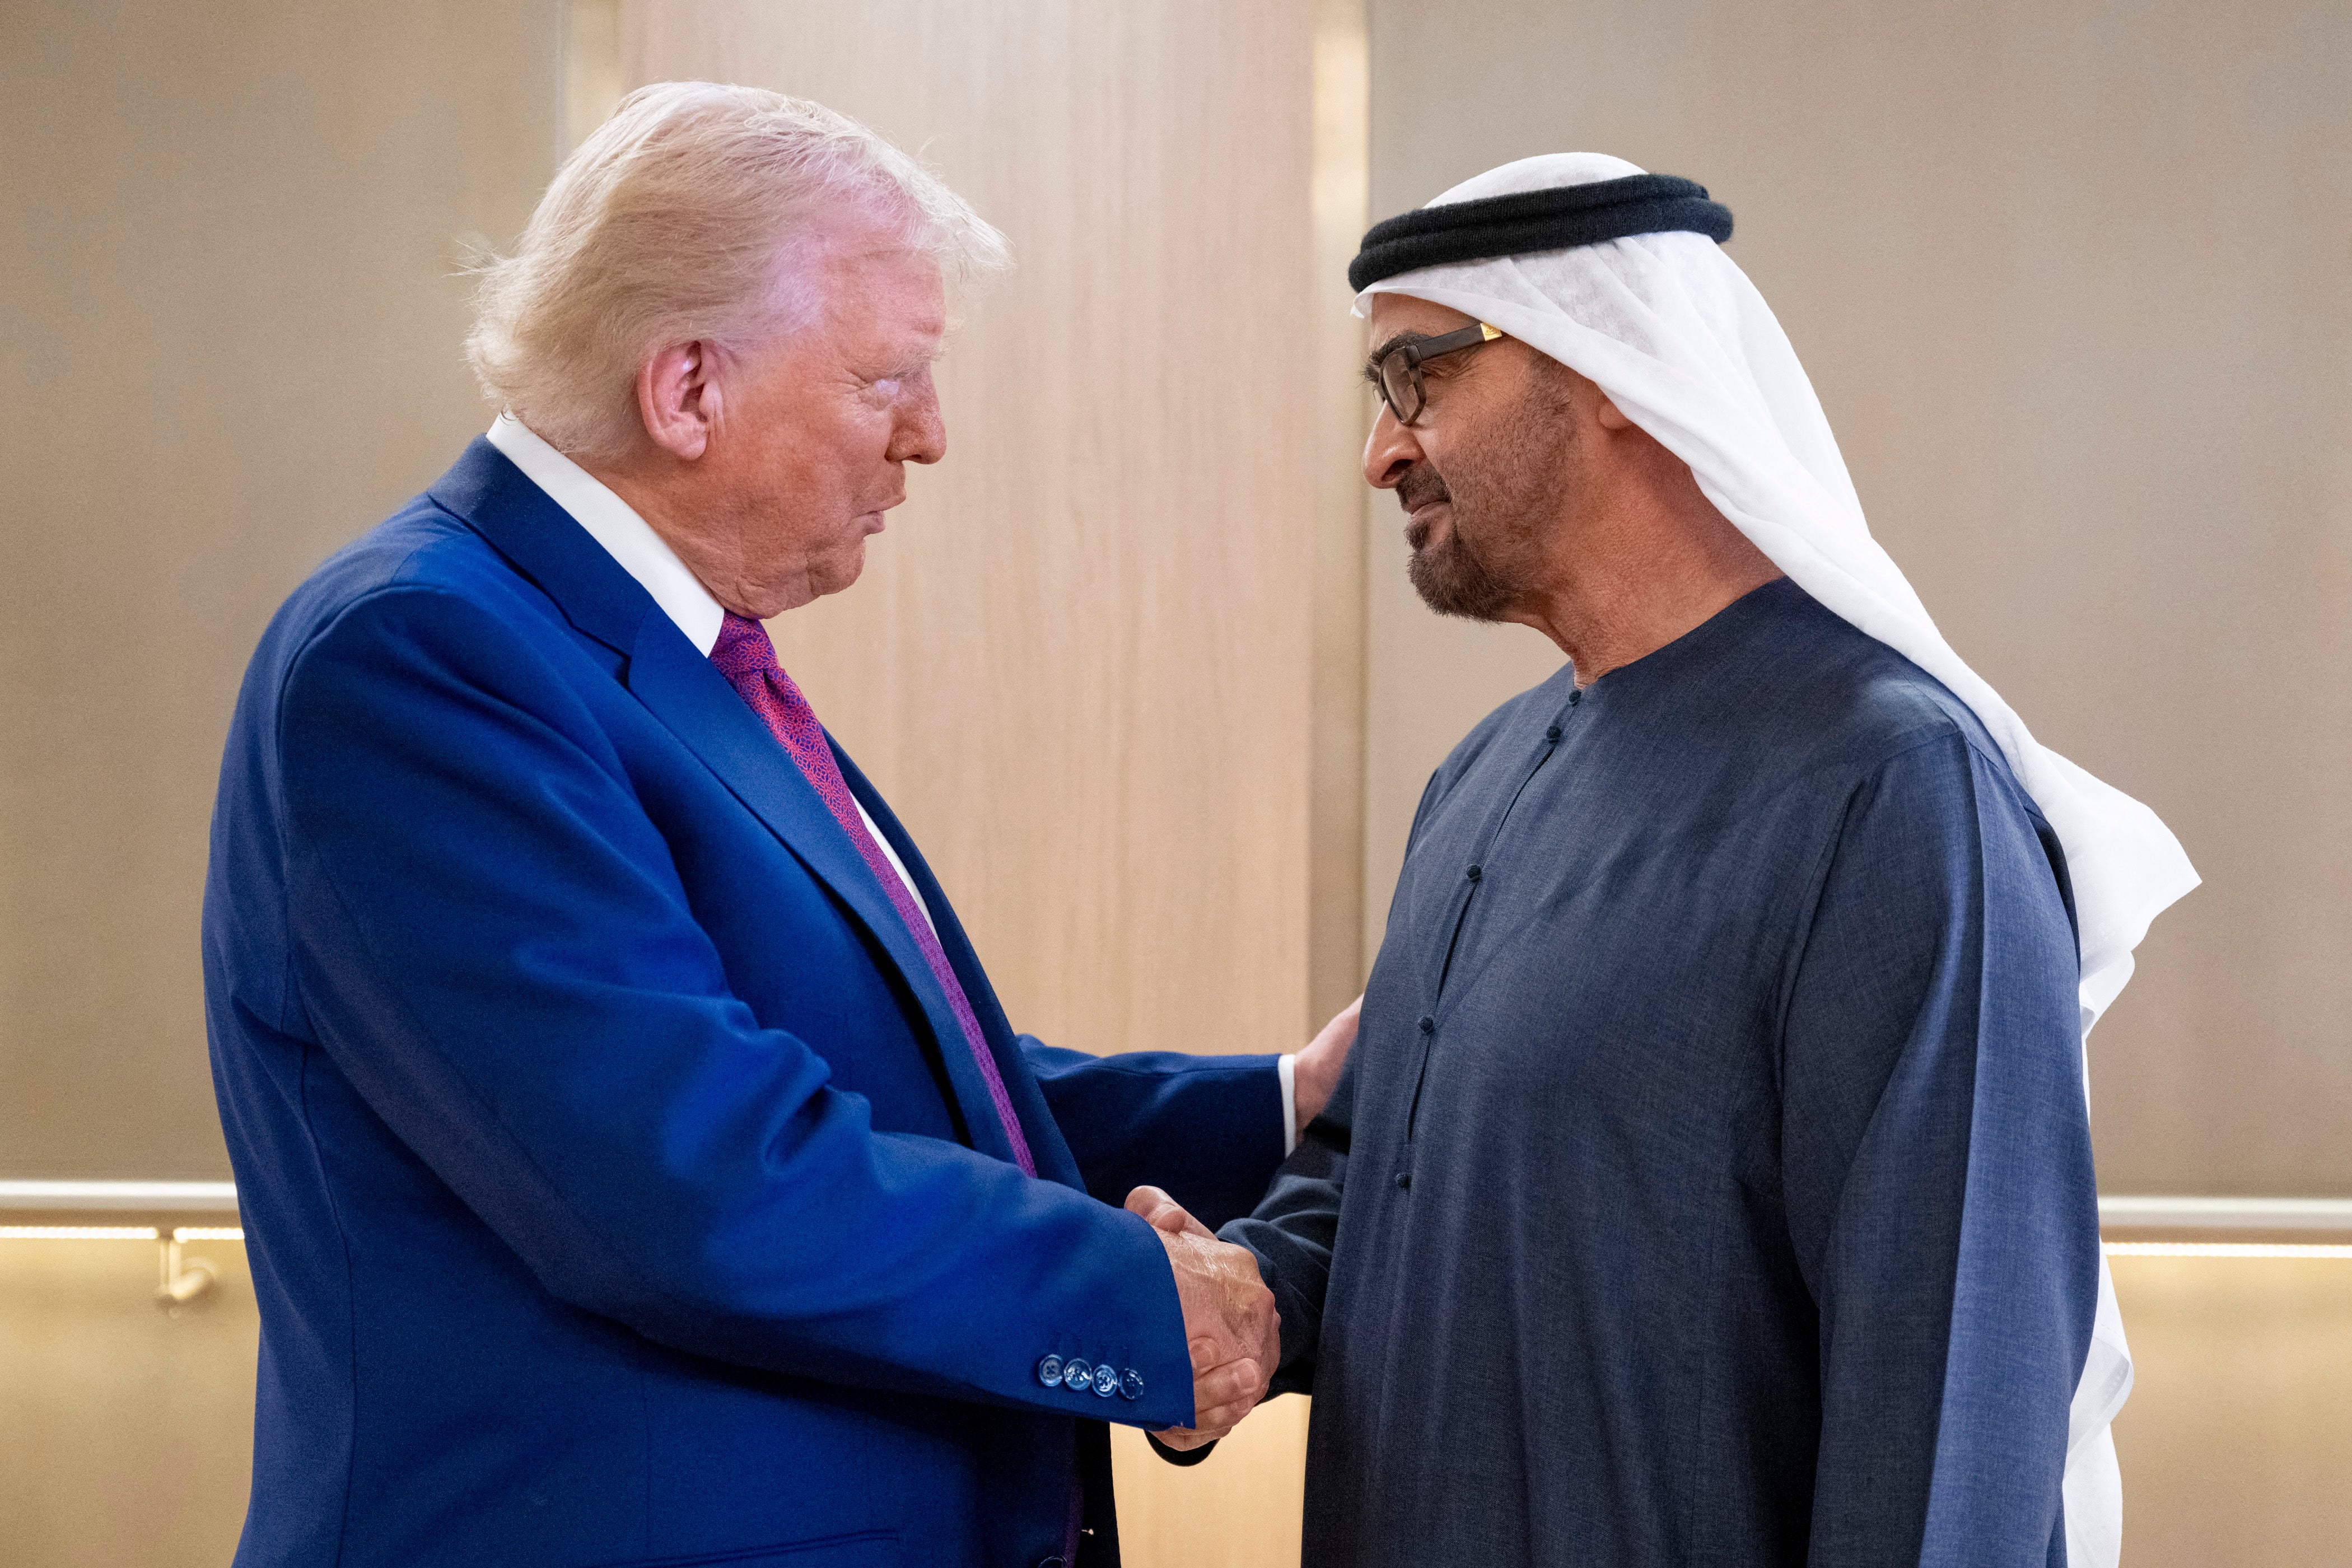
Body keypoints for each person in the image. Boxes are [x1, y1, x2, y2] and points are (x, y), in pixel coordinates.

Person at [201, 82, 1329, 1568]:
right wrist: (1143, 1302)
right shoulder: (421, 656)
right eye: (888, 380)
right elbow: (694, 1177)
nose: (928, 436)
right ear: (685, 391)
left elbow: (897, 1089)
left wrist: (1288, 1100)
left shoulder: (652, 653)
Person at [1150, 156, 2196, 1567]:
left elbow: (1949, 1391)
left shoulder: (1892, 789)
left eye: (1421, 378)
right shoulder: (1480, 778)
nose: (1383, 450)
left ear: (1608, 373)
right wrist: (1253, 1292)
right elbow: (1386, 1168)